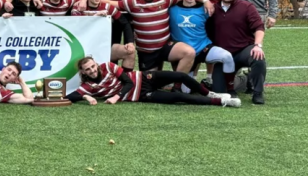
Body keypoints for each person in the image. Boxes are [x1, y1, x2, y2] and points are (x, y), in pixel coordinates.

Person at [95, 0, 213, 91]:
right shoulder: (132, 3)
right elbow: (110, 3)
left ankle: (177, 86)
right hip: (147, 52)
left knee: (189, 52)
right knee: (149, 86)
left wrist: (205, 0)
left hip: (165, 47)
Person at [66, 57, 240, 107]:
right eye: (88, 69)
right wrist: (86, 97)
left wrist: (116, 97)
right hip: (142, 95)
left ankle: (208, 93)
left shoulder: (107, 66)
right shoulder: (88, 86)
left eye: (92, 66)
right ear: (84, 72)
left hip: (143, 78)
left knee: (181, 76)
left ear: (95, 63)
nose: (92, 70)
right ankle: (222, 101)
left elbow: (127, 82)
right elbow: (70, 97)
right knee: (179, 98)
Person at [168, 0, 237, 94]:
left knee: (227, 56)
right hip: (186, 54)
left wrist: (206, 1)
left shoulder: (206, 8)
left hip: (203, 47)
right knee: (186, 91)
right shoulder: (171, 9)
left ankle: (230, 89)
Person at [207, 0, 268, 104]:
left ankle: (257, 92)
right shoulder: (212, 10)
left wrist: (257, 45)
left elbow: (259, 27)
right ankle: (246, 80)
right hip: (224, 55)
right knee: (219, 91)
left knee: (258, 57)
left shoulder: (247, 7)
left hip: (243, 50)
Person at [72, 0, 135, 71]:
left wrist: (130, 42)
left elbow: (124, 23)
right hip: (83, 48)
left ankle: (125, 81)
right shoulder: (79, 7)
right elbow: (77, 27)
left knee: (129, 53)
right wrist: (95, 17)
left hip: (103, 47)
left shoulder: (107, 7)